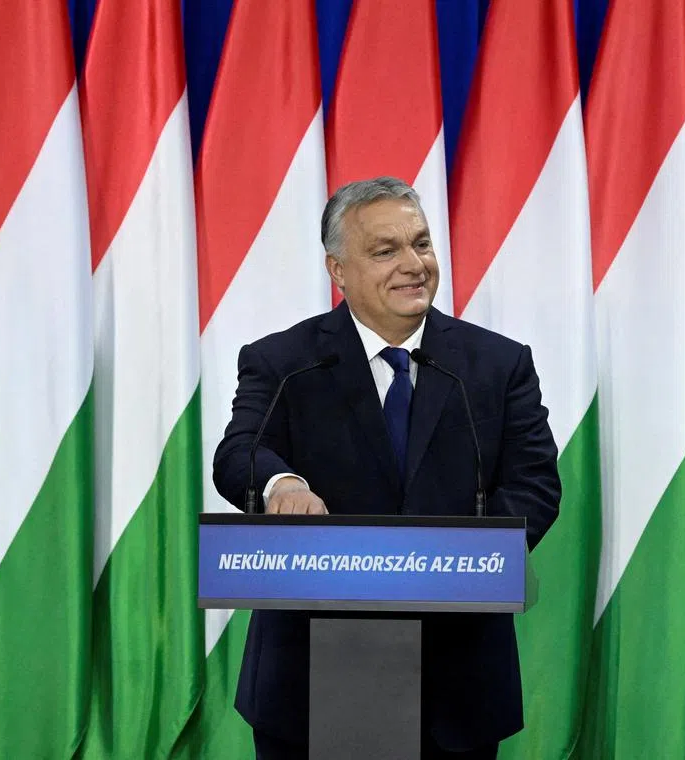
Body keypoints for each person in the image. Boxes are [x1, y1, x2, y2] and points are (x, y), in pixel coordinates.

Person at [213, 177, 561, 759]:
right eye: (386, 251)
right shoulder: (284, 361)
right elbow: (239, 451)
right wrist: (282, 482)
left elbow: (535, 487)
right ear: (338, 270)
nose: (414, 264)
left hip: (456, 674)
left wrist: (454, 566)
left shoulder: (497, 364)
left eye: (421, 244)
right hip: (315, 670)